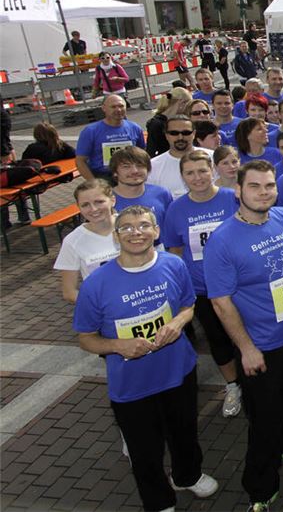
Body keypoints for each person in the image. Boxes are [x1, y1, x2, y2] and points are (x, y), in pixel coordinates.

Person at [73, 205, 219, 511]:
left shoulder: (173, 265)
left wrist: (178, 324)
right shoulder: (96, 284)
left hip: (178, 371)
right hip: (132, 384)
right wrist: (117, 345)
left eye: (143, 226)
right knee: (144, 449)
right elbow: (86, 338)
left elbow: (187, 305)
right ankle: (158, 500)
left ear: (155, 232)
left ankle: (187, 475)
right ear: (116, 236)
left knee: (185, 432)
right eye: (126, 228)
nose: (135, 232)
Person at [204, 161, 283, 511]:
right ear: (238, 191)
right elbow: (220, 301)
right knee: (265, 419)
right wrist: (246, 349)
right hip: (262, 348)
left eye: (269, 185)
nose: (263, 192)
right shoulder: (223, 241)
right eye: (255, 186)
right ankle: (260, 488)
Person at [162, 151, 244, 418]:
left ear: (212, 170)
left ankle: (253, 378)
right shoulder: (176, 209)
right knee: (217, 338)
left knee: (246, 333)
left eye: (202, 171)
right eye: (190, 173)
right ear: (183, 177)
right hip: (202, 289)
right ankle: (233, 385)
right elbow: (174, 250)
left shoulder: (231, 199)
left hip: (238, 285)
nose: (197, 178)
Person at [54, 180, 121, 304]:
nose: (93, 209)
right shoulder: (72, 241)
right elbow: (69, 292)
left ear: (112, 200)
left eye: (99, 202)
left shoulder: (132, 227)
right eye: (85, 205)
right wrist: (99, 307)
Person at [111, 147, 173, 247]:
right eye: (126, 167)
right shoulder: (105, 201)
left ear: (148, 170)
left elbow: (172, 229)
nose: (134, 171)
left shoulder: (162, 193)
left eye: (140, 165)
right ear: (115, 172)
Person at [148, 114, 214, 199]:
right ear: (166, 135)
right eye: (174, 133)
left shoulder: (213, 157)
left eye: (186, 133)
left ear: (194, 133)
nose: (180, 137)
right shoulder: (153, 166)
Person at [146, 87, 192, 156]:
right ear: (181, 102)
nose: (188, 109)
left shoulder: (172, 120)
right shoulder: (156, 124)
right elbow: (151, 150)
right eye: (188, 106)